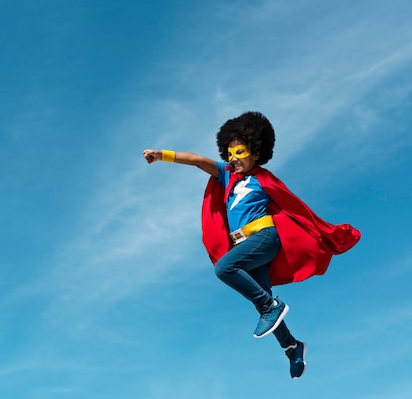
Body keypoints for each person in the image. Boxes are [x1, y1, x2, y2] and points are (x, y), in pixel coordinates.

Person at [143, 111, 361, 379]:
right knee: (261, 301)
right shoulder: (226, 176)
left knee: (225, 269)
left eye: (241, 152)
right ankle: (292, 347)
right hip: (244, 245)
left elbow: (294, 207)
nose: (234, 158)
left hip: (264, 238)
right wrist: (162, 154)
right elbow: (197, 160)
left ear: (256, 152)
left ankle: (272, 307)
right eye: (229, 152)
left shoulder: (263, 178)